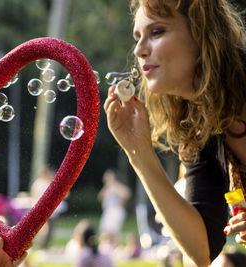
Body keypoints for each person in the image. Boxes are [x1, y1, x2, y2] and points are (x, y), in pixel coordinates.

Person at [104, 0, 246, 266]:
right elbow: (201, 250)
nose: (139, 49)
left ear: (201, 32)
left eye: (156, 32)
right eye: (137, 38)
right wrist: (139, 153)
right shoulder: (201, 127)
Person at [97, 169, 130, 246]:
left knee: (114, 232)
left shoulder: (117, 186)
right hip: (108, 211)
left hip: (116, 211)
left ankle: (115, 247)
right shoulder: (106, 188)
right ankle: (105, 247)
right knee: (104, 231)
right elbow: (100, 198)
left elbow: (126, 194)